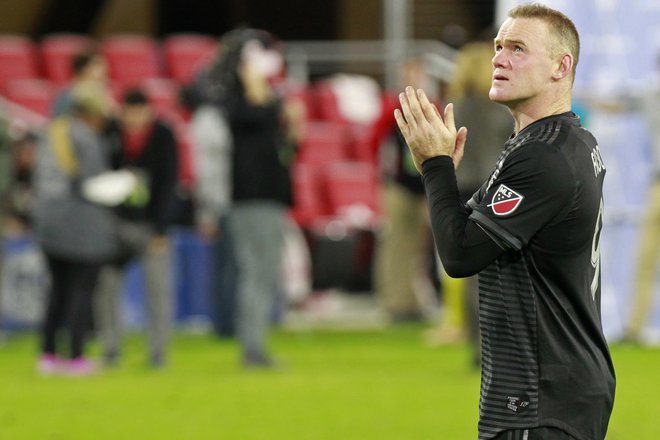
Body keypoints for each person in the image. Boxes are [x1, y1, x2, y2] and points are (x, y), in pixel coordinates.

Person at [394, 4, 615, 440]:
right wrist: (441, 171)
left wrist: (435, 166)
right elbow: (467, 227)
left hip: (541, 396)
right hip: (562, 385)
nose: (499, 57)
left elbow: (459, 254)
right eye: (498, 46)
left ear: (560, 67)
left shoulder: (543, 156)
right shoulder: (563, 139)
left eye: (517, 48)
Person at [202, 28, 299, 367]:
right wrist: (258, 85)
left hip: (267, 196)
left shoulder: (256, 104)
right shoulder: (236, 104)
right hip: (252, 198)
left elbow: (286, 146)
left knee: (262, 273)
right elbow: (257, 113)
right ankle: (252, 348)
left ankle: (253, 345)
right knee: (256, 273)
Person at [33, 81, 116, 376]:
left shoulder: (51, 133)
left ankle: (47, 354)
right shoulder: (86, 137)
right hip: (81, 225)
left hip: (48, 222)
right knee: (81, 291)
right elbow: (93, 183)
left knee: (56, 289)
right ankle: (77, 356)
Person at [94, 88, 179, 368]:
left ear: (148, 111)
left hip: (150, 225)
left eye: (138, 113)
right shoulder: (111, 134)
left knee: (158, 291)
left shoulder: (163, 136)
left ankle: (157, 352)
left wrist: (161, 230)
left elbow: (169, 185)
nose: (132, 119)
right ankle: (111, 348)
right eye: (128, 113)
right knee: (106, 287)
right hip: (115, 224)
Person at [371, 58, 438, 324]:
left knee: (417, 247)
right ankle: (394, 302)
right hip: (398, 185)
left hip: (422, 187)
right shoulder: (391, 108)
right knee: (397, 244)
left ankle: (412, 300)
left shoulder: (432, 106)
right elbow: (375, 143)